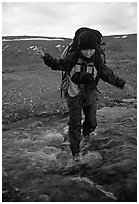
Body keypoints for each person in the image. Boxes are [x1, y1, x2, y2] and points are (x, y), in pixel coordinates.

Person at [35, 30, 126, 167]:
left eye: (91, 50)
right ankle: (76, 154)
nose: (88, 53)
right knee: (75, 124)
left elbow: (107, 75)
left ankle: (87, 138)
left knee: (91, 122)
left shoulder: (97, 58)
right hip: (74, 94)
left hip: (90, 93)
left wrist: (122, 84)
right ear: (80, 48)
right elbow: (57, 64)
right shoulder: (72, 57)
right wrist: (45, 56)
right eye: (85, 50)